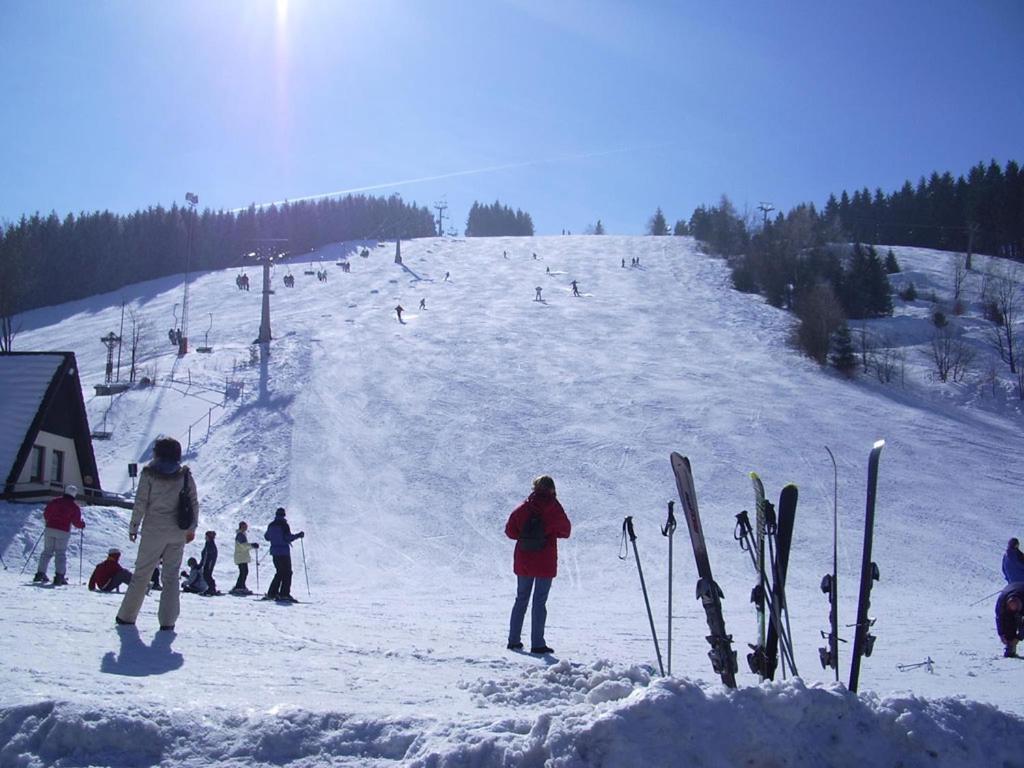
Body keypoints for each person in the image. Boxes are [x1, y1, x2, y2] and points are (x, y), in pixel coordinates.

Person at [116, 436, 198, 631]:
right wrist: (191, 529)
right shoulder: (185, 475)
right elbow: (193, 503)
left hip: (154, 530)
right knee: (171, 576)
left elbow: (140, 503)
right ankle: (168, 621)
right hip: (177, 531)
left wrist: (134, 526)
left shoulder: (149, 474)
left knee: (142, 573)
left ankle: (127, 616)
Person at [504, 475, 572, 654]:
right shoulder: (554, 508)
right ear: (552, 489)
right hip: (545, 560)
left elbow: (510, 531)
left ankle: (513, 640)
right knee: (539, 602)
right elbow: (566, 530)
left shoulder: (524, 507)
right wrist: (550, 531)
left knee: (521, 599)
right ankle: (537, 643)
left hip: (524, 559)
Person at [34, 484, 85, 586]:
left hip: (50, 528)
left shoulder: (55, 501)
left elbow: (46, 513)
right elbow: (76, 522)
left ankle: (40, 573)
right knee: (60, 553)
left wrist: (49, 521)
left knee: (47, 552)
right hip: (63, 531)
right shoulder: (74, 507)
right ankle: (59, 576)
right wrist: (82, 525)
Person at [263, 507, 304, 602]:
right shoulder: (284, 525)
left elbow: (267, 537)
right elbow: (287, 538)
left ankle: (272, 593)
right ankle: (284, 594)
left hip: (274, 552)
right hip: (284, 552)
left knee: (279, 572)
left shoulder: (271, 524)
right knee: (287, 572)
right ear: (284, 515)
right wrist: (298, 535)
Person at [995, 582, 1024, 657]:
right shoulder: (1002, 601)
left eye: (1016, 609)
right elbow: (999, 618)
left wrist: (1019, 637)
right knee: (1008, 621)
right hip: (1011, 589)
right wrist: (1001, 634)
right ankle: (1010, 647)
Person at [231, 521, 259, 595]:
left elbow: (244, 546)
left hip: (241, 556)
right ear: (241, 527)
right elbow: (243, 545)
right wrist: (252, 545)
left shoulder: (241, 534)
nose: (246, 528)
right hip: (241, 556)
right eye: (244, 526)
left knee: (244, 571)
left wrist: (251, 546)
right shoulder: (240, 535)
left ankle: (240, 586)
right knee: (244, 572)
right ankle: (240, 587)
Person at [199, 530, 220, 595]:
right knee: (206, 575)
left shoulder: (210, 544)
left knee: (207, 575)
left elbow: (209, 555)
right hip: (207, 562)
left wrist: (207, 563)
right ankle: (211, 588)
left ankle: (212, 588)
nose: (205, 537)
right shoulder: (208, 543)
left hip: (208, 563)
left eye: (206, 536)